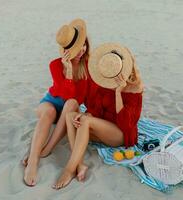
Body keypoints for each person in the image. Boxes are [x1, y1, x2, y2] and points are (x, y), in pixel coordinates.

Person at [53, 43, 144, 189]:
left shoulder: (135, 88)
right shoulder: (104, 80)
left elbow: (126, 125)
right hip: (103, 128)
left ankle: (69, 169)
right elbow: (95, 109)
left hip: (120, 134)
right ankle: (80, 164)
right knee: (71, 116)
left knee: (85, 121)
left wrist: (118, 92)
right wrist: (86, 114)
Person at [22, 19, 90, 186]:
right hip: (51, 101)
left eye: (84, 45)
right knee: (49, 112)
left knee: (72, 103)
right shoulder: (55, 64)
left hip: (69, 106)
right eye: (76, 48)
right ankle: (32, 161)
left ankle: (47, 149)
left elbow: (77, 98)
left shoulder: (88, 66)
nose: (82, 50)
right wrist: (67, 73)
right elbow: (61, 92)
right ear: (66, 51)